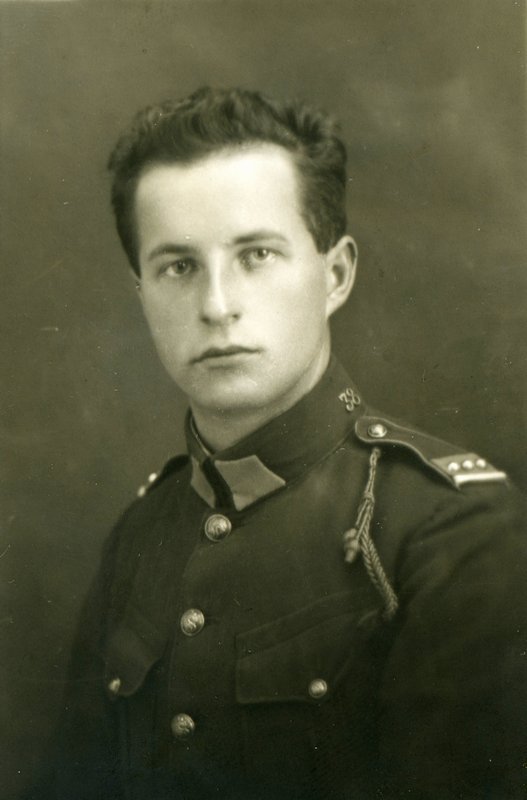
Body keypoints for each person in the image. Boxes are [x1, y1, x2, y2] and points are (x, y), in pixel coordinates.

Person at [52, 87, 525, 799]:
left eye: (257, 255)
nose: (217, 305)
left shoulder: (454, 532)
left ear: (334, 276)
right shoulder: (140, 535)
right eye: (178, 267)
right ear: (142, 293)